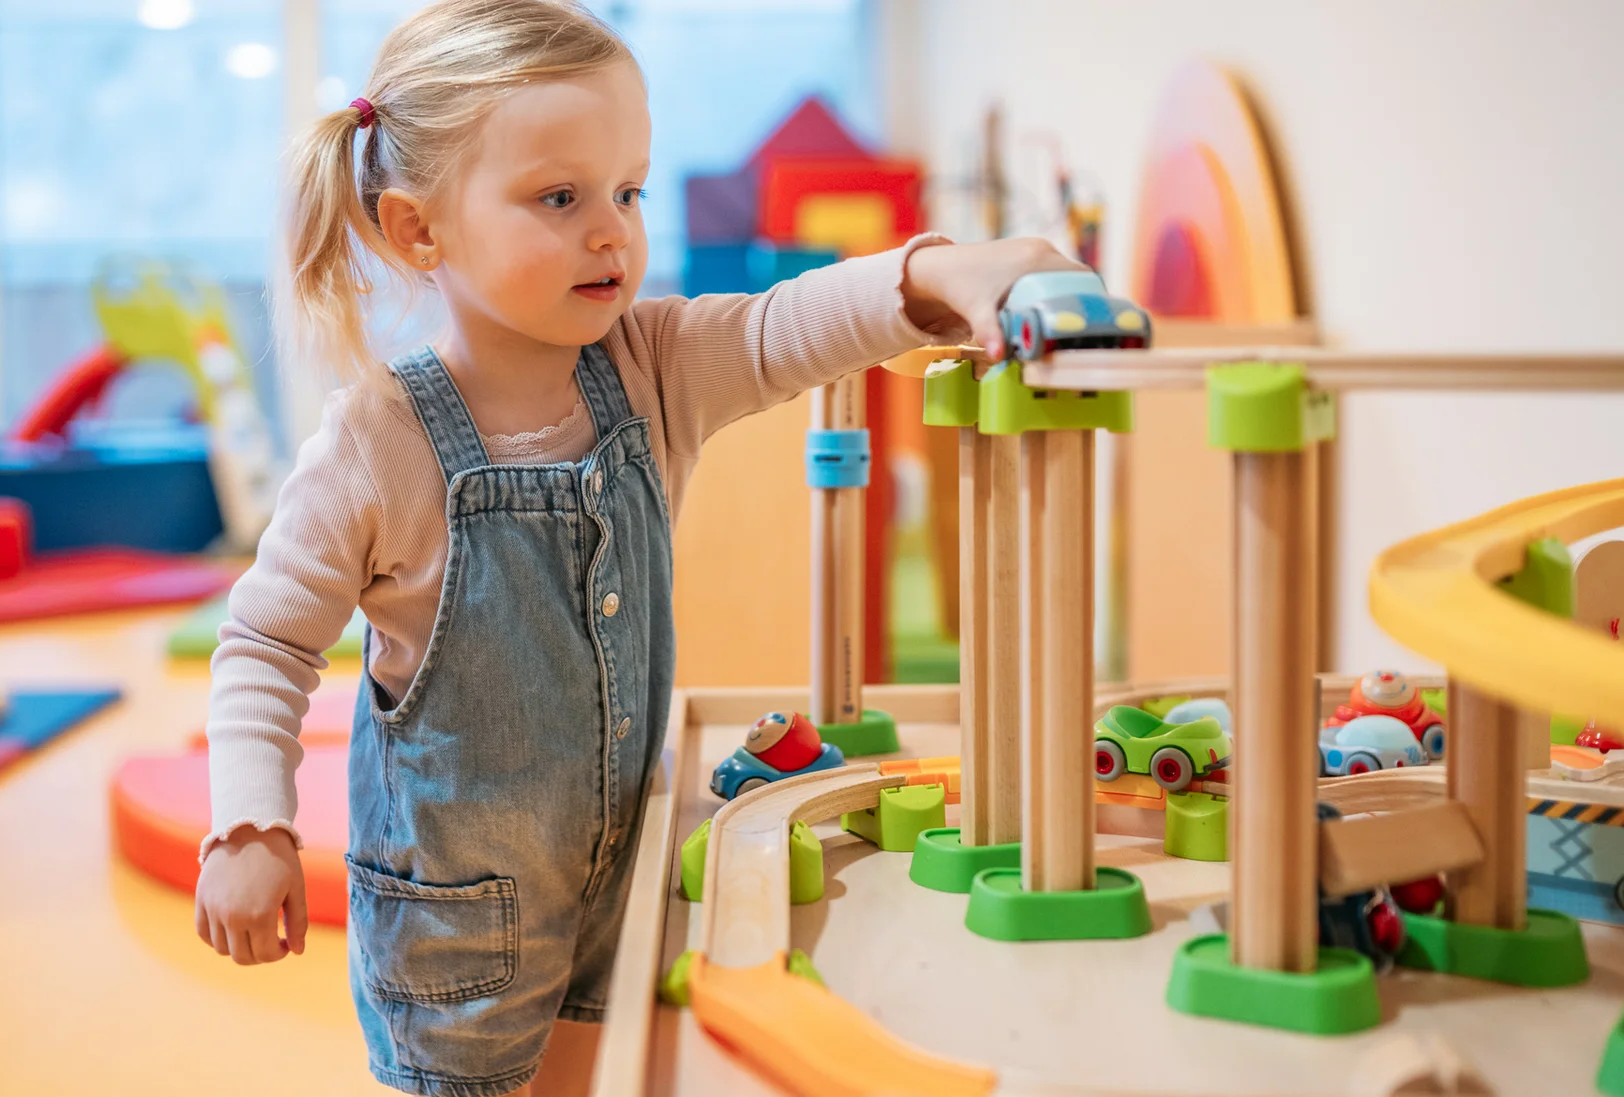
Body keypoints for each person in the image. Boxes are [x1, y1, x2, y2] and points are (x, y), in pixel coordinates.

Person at [194, 1, 1081, 1093]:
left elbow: (784, 325)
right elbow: (266, 643)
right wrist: (249, 823)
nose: (612, 230)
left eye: (628, 190)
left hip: (627, 873)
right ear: (419, 229)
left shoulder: (652, 365)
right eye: (559, 198)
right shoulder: (378, 442)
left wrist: (941, 275)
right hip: (458, 930)